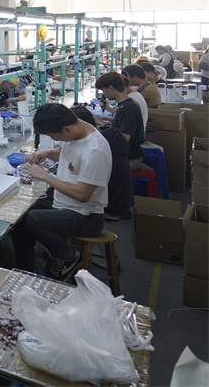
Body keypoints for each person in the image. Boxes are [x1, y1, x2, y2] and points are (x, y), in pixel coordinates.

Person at [13, 103, 111, 279]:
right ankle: (25, 272)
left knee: (33, 219)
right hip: (64, 203)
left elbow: (83, 195)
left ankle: (69, 258)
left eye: (53, 136)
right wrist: (47, 152)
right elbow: (65, 152)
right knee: (20, 217)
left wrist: (45, 176)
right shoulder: (75, 133)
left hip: (85, 217)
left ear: (67, 130)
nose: (55, 139)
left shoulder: (95, 150)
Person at [71, 107, 133, 220]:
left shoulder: (95, 147)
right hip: (119, 200)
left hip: (108, 206)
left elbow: (82, 194)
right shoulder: (110, 137)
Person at [94, 72, 146, 170]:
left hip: (130, 158)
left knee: (94, 166)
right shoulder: (123, 105)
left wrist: (102, 125)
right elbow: (119, 129)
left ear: (111, 88)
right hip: (126, 154)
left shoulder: (128, 107)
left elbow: (125, 137)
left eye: (103, 90)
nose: (104, 94)